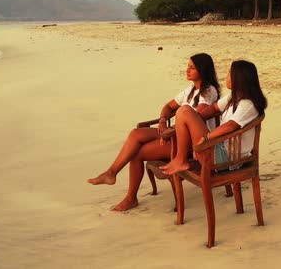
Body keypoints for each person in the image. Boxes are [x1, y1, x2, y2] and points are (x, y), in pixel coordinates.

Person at [87, 53, 220, 211]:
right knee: (136, 134)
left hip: (190, 143)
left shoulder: (208, 92)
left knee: (136, 153)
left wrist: (168, 133)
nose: (187, 70)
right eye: (188, 66)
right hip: (175, 133)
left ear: (202, 70)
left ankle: (130, 198)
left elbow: (196, 117)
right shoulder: (191, 90)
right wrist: (163, 121)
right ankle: (111, 173)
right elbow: (168, 107)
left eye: (192, 67)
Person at [160, 60, 266, 175]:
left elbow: (230, 126)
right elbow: (215, 108)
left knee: (184, 110)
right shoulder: (234, 96)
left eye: (229, 74)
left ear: (238, 78)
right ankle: (181, 159)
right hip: (219, 148)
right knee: (185, 112)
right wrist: (196, 119)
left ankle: (181, 160)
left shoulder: (247, 104)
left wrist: (206, 137)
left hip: (225, 158)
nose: (226, 77)